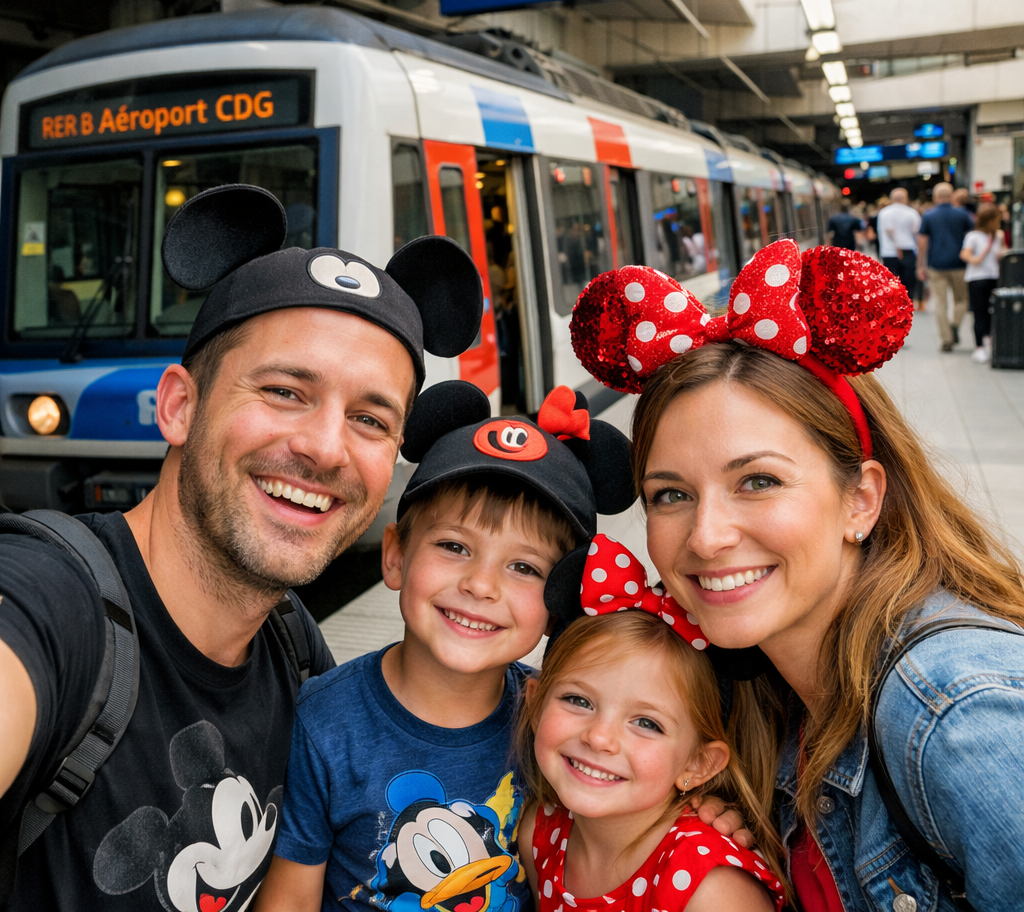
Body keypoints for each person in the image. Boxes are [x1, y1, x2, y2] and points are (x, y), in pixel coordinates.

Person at [0, 184, 484, 910]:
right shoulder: (49, 606)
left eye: (370, 419)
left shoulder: (292, 647)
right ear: (179, 406)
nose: (326, 448)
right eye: (285, 391)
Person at [569, 240, 1024, 912]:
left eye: (758, 481)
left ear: (860, 500)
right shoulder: (760, 694)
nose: (706, 536)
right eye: (671, 494)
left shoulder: (958, 720)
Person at [253, 382, 636, 911]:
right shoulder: (324, 723)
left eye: (523, 567)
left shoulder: (557, 720)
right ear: (395, 557)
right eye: (454, 546)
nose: (481, 585)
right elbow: (289, 901)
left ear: (560, 601)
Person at [516, 538, 786, 912]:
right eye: (579, 701)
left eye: (646, 723)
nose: (600, 737)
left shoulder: (713, 892)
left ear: (698, 763)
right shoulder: (539, 832)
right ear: (535, 705)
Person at [917, 181, 974, 351]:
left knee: (940, 303)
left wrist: (920, 265)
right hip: (959, 264)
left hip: (936, 264)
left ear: (935, 197)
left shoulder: (928, 216)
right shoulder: (963, 214)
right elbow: (972, 237)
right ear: (952, 196)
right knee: (962, 299)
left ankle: (946, 339)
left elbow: (922, 243)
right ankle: (955, 325)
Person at [961, 203, 1005, 363]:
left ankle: (989, 340)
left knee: (992, 312)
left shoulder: (998, 236)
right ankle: (979, 346)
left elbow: (1002, 250)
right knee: (979, 312)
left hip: (994, 276)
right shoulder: (973, 236)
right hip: (977, 278)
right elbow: (965, 254)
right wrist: (976, 259)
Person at [876, 187, 921, 300]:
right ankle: (908, 303)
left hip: (888, 253)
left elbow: (888, 230)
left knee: (891, 284)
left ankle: (893, 305)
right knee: (908, 283)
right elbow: (917, 233)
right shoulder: (912, 213)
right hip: (908, 251)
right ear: (906, 198)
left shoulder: (884, 213)